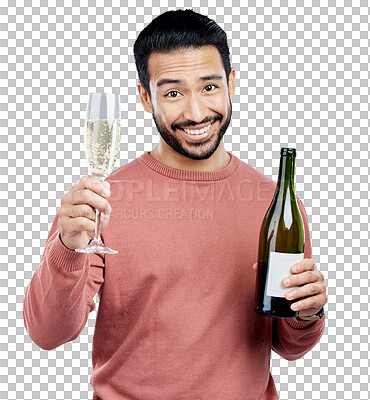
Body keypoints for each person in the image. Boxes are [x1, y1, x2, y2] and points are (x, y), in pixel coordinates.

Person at [23, 9, 327, 400]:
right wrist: (66, 249)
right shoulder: (101, 201)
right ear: (145, 98)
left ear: (232, 85)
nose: (196, 112)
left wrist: (307, 312)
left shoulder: (276, 204)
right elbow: (47, 335)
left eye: (209, 88)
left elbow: (288, 346)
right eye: (173, 93)